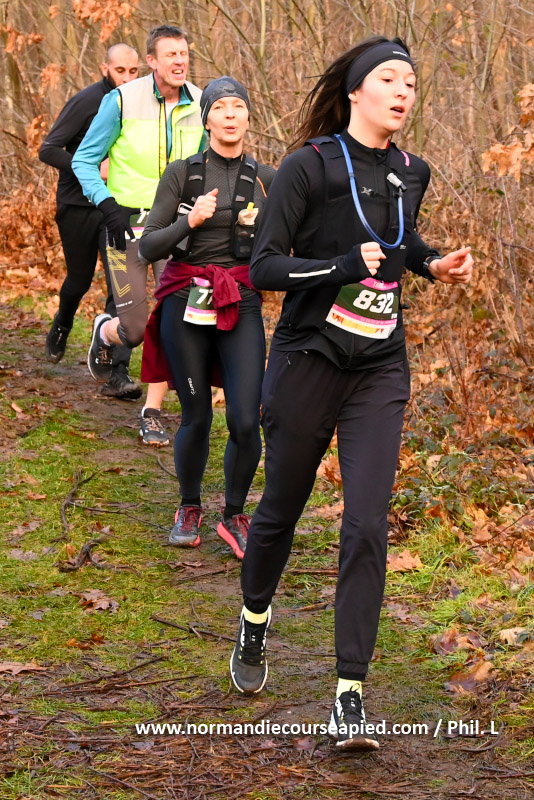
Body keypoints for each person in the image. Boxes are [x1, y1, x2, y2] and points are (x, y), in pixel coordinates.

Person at [229, 37, 474, 749]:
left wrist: (432, 262)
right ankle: (254, 618)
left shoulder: (411, 170)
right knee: (280, 508)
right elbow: (264, 268)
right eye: (389, 79)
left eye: (411, 83)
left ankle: (349, 694)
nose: (403, 92)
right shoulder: (307, 166)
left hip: (379, 366)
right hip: (308, 357)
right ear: (356, 91)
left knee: (366, 522)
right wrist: (339, 266)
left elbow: (399, 238)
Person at [139, 77, 275, 558]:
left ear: (248, 117)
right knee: (196, 416)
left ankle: (234, 514)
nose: (231, 115)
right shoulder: (182, 174)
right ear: (207, 119)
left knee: (246, 419)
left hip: (241, 299)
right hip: (185, 300)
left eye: (239, 106)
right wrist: (189, 221)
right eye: (221, 107)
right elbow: (148, 245)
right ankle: (189, 507)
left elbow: (291, 243)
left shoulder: (267, 178)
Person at [72, 24, 204, 445]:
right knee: (134, 329)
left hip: (174, 229)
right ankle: (106, 331)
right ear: (151, 61)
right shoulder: (121, 100)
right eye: (170, 54)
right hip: (125, 227)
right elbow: (83, 160)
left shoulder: (202, 102)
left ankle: (152, 411)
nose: (179, 61)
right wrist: (107, 205)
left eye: (184, 54)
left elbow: (209, 163)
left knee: (170, 319)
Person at [39, 43, 142, 399]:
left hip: (120, 206)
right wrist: (91, 167)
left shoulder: (143, 105)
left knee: (123, 287)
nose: (127, 78)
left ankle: (118, 370)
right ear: (105, 68)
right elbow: (48, 149)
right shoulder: (87, 101)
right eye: (120, 71)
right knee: (79, 280)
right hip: (78, 205)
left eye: (133, 71)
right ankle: (63, 321)